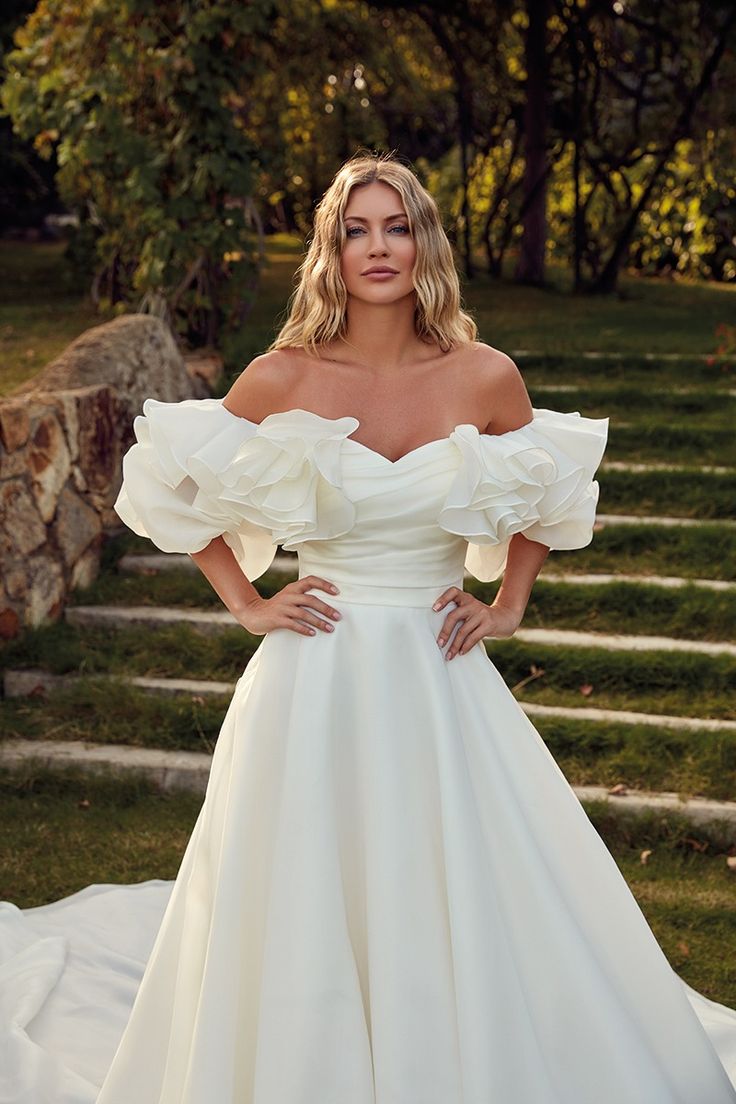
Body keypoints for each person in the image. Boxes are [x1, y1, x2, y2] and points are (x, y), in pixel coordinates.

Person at [2, 151, 736, 1103]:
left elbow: (548, 496)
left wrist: (509, 603)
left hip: (439, 680)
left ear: (424, 241)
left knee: (453, 887)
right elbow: (169, 485)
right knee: (306, 893)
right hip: (313, 681)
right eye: (356, 229)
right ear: (331, 251)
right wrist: (247, 601)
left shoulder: (484, 376)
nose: (377, 246)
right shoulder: (284, 376)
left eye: (395, 226)